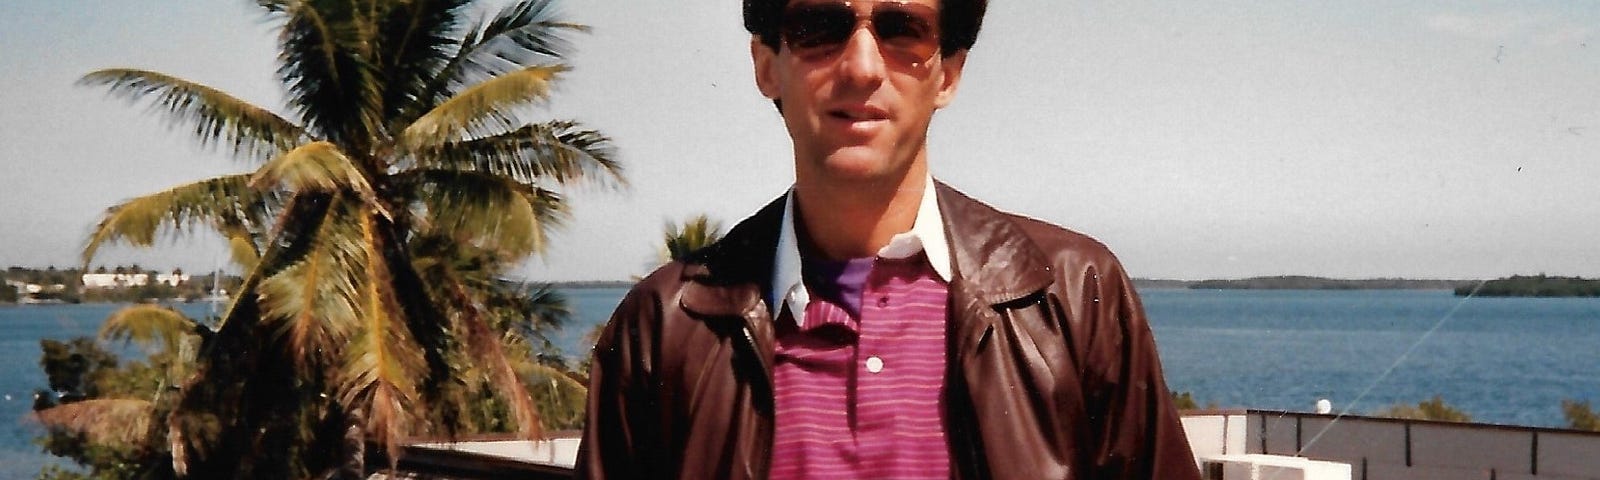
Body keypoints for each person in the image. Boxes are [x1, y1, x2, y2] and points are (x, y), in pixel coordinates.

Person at [576, 0, 1202, 478]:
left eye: (903, 29)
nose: (862, 66)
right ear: (768, 67)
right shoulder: (666, 325)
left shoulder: (1071, 293)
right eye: (820, 26)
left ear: (948, 74)